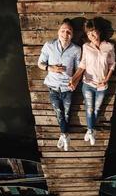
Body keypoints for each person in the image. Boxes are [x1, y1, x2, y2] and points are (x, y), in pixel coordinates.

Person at [69, 18, 116, 145]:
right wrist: (73, 79)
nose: (92, 36)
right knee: (89, 109)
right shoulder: (86, 47)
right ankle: (90, 131)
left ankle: (91, 130)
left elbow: (112, 64)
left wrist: (106, 79)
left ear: (99, 31)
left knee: (96, 110)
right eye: (89, 34)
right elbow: (82, 65)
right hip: (88, 84)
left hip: (102, 85)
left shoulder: (109, 46)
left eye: (94, 32)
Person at [38, 18, 81, 151]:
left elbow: (79, 70)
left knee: (67, 114)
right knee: (58, 112)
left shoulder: (76, 49)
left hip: (67, 87)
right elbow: (40, 64)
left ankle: (64, 136)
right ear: (58, 32)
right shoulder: (49, 45)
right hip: (53, 87)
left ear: (72, 34)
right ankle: (65, 135)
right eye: (63, 31)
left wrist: (75, 82)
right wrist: (51, 68)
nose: (65, 34)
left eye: (69, 32)